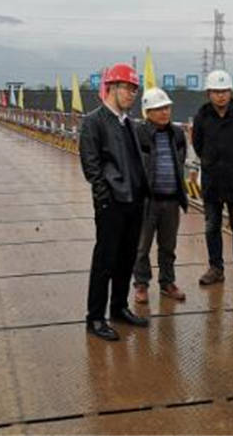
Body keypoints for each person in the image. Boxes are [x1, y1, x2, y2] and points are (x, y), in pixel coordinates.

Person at [79, 62, 150, 341]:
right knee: (105, 261)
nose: (132, 94)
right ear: (111, 88)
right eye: (128, 88)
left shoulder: (128, 123)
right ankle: (95, 318)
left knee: (126, 259)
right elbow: (91, 166)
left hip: (134, 201)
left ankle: (119, 308)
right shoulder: (93, 121)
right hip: (112, 203)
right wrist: (104, 198)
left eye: (134, 90)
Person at [190, 69, 233, 290]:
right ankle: (216, 268)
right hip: (212, 182)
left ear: (231, 92)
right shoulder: (202, 117)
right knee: (212, 226)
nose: (220, 96)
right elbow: (198, 145)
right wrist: (211, 162)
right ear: (208, 93)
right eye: (216, 91)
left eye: (224, 91)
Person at [133, 87, 189, 303]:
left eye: (166, 107)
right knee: (142, 247)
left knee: (168, 246)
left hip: (171, 200)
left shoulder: (177, 134)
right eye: (158, 109)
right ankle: (141, 284)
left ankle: (167, 282)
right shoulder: (138, 133)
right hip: (147, 201)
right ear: (147, 112)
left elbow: (181, 161)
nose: (164, 112)